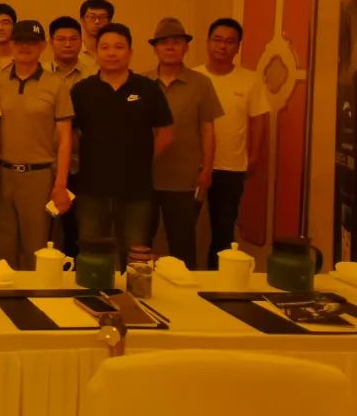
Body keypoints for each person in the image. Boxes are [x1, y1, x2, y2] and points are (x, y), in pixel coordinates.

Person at [71, 22, 173, 263]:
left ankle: (134, 289)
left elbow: (166, 132)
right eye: (105, 47)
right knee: (92, 257)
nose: (111, 52)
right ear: (97, 52)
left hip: (136, 189)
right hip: (91, 188)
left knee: (136, 257)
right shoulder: (82, 90)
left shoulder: (147, 88)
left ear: (130, 52)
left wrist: (142, 159)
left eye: (119, 47)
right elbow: (71, 134)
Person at [0, 20, 73, 269]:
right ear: (11, 44)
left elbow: (65, 139)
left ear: (43, 46)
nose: (24, 47)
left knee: (37, 252)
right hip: (3, 175)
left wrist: (60, 184)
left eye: (32, 42)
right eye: (19, 41)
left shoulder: (56, 84)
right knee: (2, 251)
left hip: (39, 177)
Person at [146, 18, 224, 268]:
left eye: (176, 42)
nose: (170, 47)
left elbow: (208, 129)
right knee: (140, 245)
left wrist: (207, 170)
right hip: (145, 179)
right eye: (164, 43)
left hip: (185, 179)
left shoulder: (201, 83)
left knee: (183, 245)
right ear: (155, 48)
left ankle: (186, 290)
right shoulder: (142, 83)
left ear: (186, 47)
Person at [194, 18, 270, 268]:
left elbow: (259, 121)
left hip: (231, 167)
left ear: (238, 47)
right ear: (207, 42)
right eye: (217, 40)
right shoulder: (194, 77)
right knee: (184, 228)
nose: (222, 46)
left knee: (223, 233)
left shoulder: (250, 80)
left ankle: (217, 283)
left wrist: (254, 157)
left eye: (230, 41)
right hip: (194, 167)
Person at [46, 15, 97, 256]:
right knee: (41, 234)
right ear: (50, 42)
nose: (67, 44)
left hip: (81, 166)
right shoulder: (38, 73)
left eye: (73, 39)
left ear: (81, 41)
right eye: (61, 39)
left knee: (76, 233)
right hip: (44, 164)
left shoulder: (94, 75)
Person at [79, 0, 115, 64]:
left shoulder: (114, 53)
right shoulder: (74, 51)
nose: (97, 21)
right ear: (82, 21)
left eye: (102, 17)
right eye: (92, 17)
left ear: (109, 22)